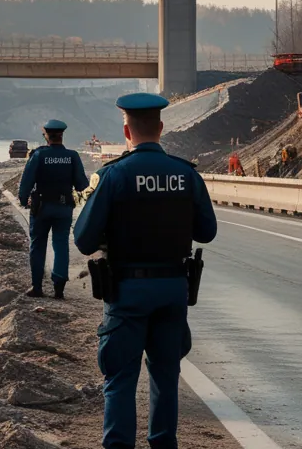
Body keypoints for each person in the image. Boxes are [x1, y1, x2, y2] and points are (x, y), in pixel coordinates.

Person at [74, 93, 218, 449]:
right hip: (173, 289)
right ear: (161, 127)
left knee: (120, 379)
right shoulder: (186, 174)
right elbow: (207, 232)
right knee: (166, 377)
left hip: (127, 292)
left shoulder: (113, 176)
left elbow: (82, 239)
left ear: (127, 129)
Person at [18, 119, 89, 299]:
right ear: (61, 136)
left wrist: (23, 199)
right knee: (61, 244)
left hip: (41, 208)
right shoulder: (72, 156)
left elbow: (26, 181)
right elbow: (82, 185)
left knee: (38, 245)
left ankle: (37, 287)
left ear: (46, 136)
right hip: (64, 208)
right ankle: (59, 289)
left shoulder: (39, 156)